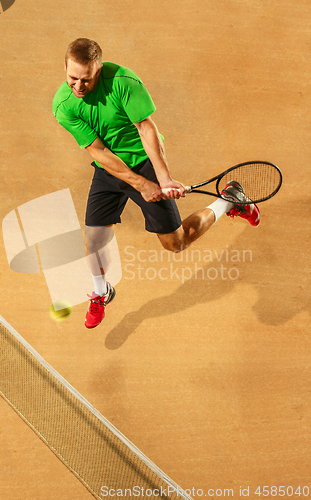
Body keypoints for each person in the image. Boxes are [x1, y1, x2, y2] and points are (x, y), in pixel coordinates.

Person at [52, 38, 260, 329]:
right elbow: (98, 151)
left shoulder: (124, 81)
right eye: (72, 78)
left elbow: (146, 128)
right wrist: (141, 185)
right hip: (109, 168)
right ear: (64, 67)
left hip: (144, 160)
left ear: (99, 70)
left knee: (176, 244)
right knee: (94, 239)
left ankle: (228, 198)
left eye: (86, 79)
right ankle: (101, 292)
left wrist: (161, 179)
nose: (78, 87)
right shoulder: (63, 105)